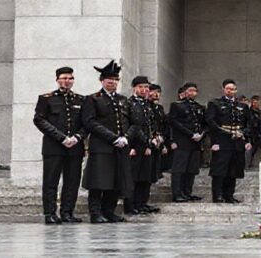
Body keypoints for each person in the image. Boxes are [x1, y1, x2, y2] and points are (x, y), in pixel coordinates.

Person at [81, 60, 133, 224]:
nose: (113, 83)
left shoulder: (123, 100)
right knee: (98, 181)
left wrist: (126, 137)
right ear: (102, 81)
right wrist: (113, 137)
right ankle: (95, 213)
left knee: (116, 181)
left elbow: (132, 122)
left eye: (116, 80)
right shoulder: (93, 99)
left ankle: (109, 211)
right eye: (109, 80)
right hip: (102, 146)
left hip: (121, 146)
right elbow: (90, 122)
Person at [33, 67, 87, 224]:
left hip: (75, 147)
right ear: (57, 80)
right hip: (54, 147)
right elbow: (39, 120)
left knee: (72, 182)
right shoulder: (46, 98)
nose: (67, 81)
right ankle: (50, 213)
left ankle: (67, 212)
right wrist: (61, 138)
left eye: (70, 78)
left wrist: (77, 137)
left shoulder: (80, 100)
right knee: (51, 181)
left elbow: (87, 123)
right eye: (64, 78)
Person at [206, 79, 253, 203]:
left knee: (234, 169)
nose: (230, 91)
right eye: (228, 88)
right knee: (220, 169)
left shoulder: (242, 106)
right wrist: (215, 141)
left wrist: (244, 135)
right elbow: (211, 122)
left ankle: (229, 195)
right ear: (223, 89)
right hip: (222, 140)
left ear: (236, 90)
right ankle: (217, 195)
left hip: (237, 141)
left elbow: (249, 123)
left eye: (233, 89)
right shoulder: (215, 103)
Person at [124, 76, 161, 215]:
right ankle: (131, 205)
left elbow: (151, 124)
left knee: (146, 177)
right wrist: (138, 144)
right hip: (135, 145)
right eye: (141, 87)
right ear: (134, 88)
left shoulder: (147, 104)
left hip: (148, 145)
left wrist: (155, 137)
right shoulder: (129, 103)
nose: (144, 90)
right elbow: (132, 126)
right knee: (133, 177)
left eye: (146, 87)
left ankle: (142, 203)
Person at [168, 82, 205, 202]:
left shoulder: (200, 107)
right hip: (183, 141)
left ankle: (187, 192)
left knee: (191, 168)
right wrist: (190, 134)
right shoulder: (177, 105)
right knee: (179, 168)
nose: (192, 93)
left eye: (195, 91)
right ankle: (177, 193)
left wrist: (201, 135)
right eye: (190, 90)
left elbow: (204, 123)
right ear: (185, 92)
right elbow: (174, 122)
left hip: (196, 142)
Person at [246, 95, 261, 169]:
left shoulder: (259, 111)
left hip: (257, 133)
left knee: (254, 149)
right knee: (249, 148)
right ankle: (247, 164)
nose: (256, 104)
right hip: (250, 132)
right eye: (255, 102)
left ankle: (250, 162)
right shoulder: (249, 111)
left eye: (257, 102)